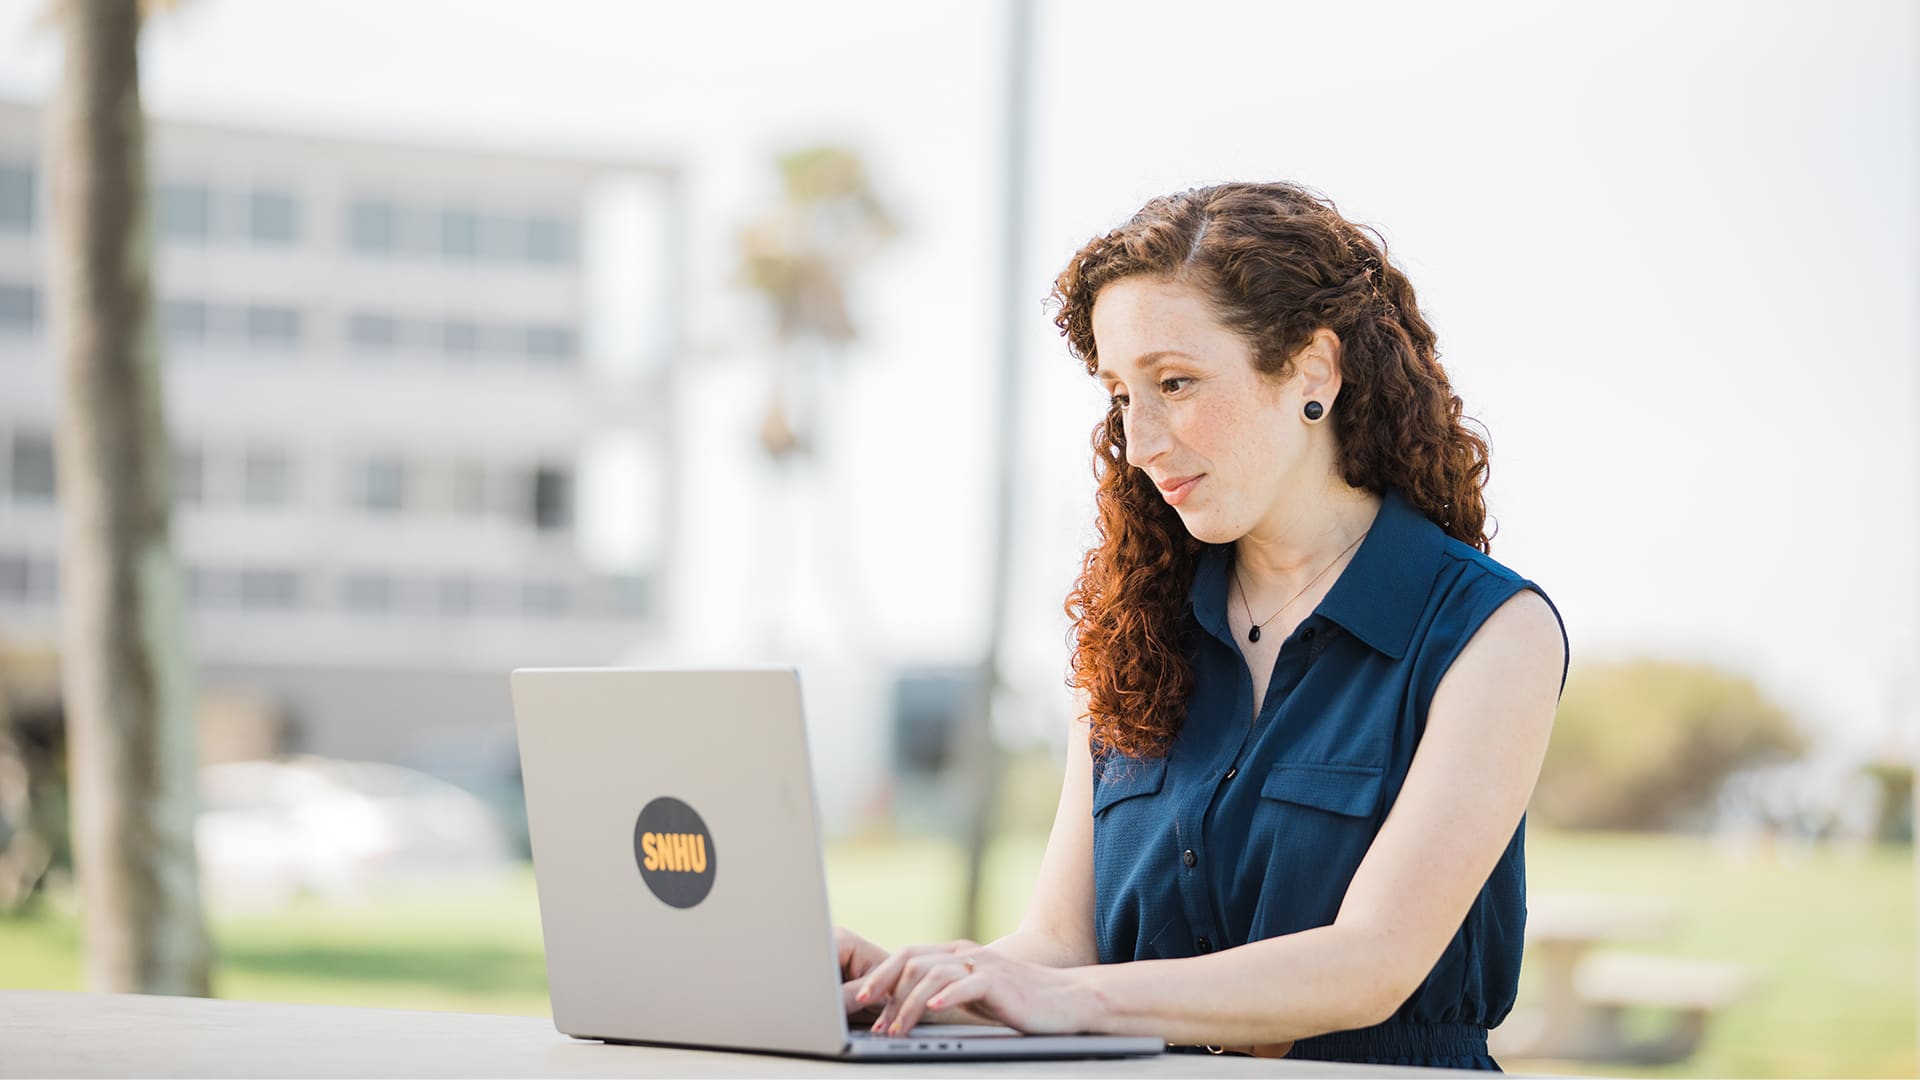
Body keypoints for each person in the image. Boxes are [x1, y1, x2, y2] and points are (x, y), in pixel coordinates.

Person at [838, 181, 1569, 1070]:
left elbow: (1372, 962)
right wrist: (924, 989)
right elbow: (1060, 951)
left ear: (1312, 372)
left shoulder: (1491, 632)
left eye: (1175, 383)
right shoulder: (1131, 633)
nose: (1139, 439)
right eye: (1119, 396)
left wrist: (1068, 998)